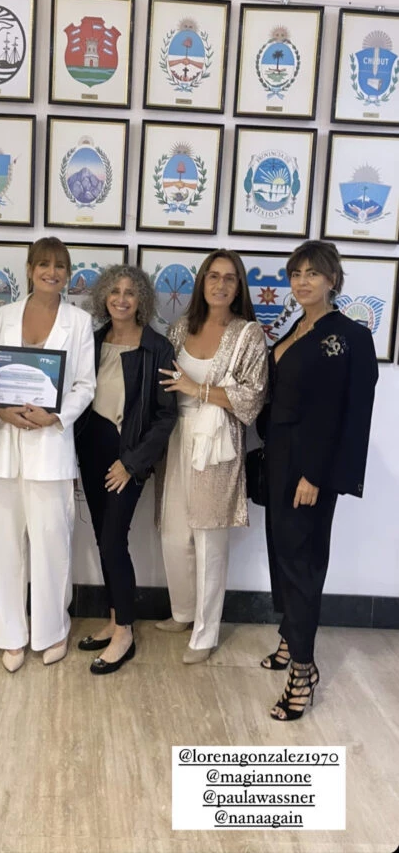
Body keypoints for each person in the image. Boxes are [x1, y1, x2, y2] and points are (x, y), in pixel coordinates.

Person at [260, 240, 378, 720]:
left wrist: (314, 474)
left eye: (313, 273)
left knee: (302, 565)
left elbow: (341, 414)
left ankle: (303, 671)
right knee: (282, 552)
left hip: (310, 467)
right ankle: (290, 639)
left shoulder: (346, 336)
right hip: (279, 458)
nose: (302, 281)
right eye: (296, 274)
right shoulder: (294, 327)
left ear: (333, 279)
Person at [0, 237, 95, 673]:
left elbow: (84, 385)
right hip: (4, 445)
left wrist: (55, 418)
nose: (52, 272)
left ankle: (52, 630)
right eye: (43, 264)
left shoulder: (78, 322)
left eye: (60, 266)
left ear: (68, 273)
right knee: (3, 544)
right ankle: (9, 633)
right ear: (29, 269)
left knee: (52, 543)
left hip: (50, 446)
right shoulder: (3, 316)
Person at [157, 250, 268, 663]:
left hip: (218, 444)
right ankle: (183, 612)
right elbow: (164, 386)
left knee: (209, 539)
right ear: (201, 283)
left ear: (239, 287)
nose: (220, 285)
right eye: (213, 277)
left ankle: (205, 633)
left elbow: (252, 397)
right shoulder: (179, 328)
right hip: (176, 438)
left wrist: (197, 389)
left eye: (230, 278)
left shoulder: (248, 335)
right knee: (172, 534)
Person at [75, 266, 177, 674]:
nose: (121, 298)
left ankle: (126, 632)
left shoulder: (158, 348)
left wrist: (131, 464)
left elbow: (165, 417)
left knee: (114, 539)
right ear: (103, 297)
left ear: (142, 301)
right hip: (92, 448)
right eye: (114, 291)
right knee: (103, 537)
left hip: (127, 457)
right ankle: (115, 618)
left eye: (130, 293)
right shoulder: (93, 340)